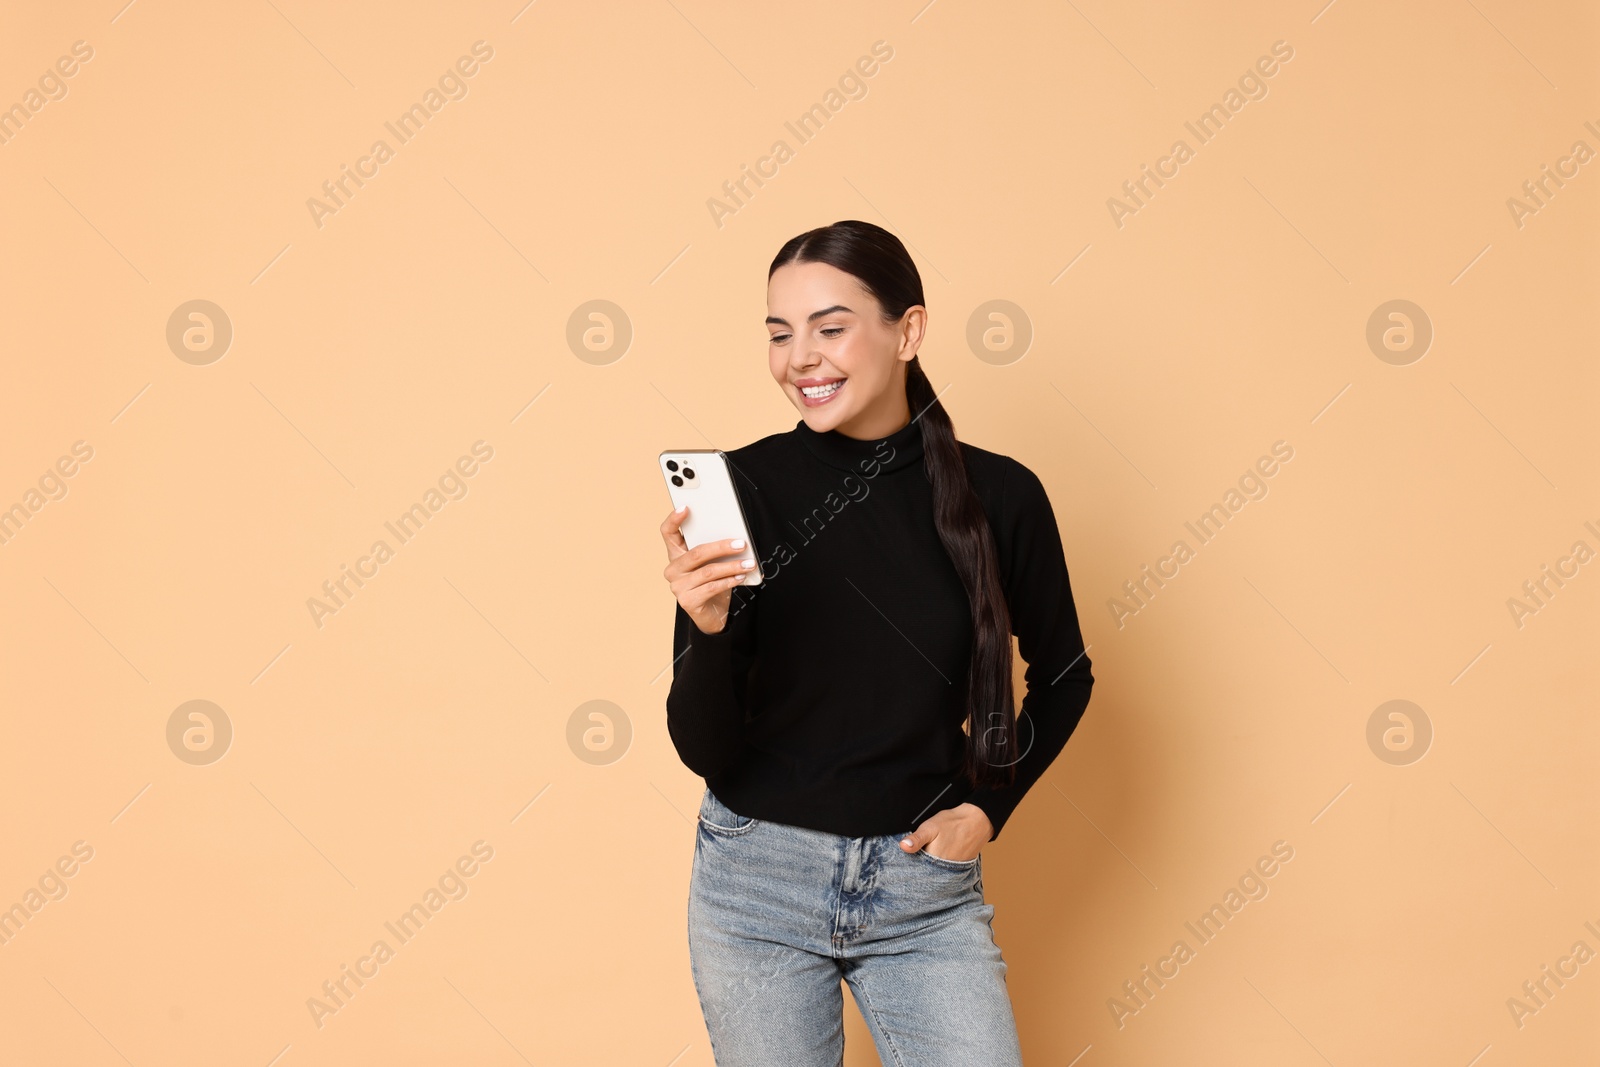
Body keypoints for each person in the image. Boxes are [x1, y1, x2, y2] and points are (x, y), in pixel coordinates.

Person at [658, 219, 1094, 1066]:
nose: (800, 359)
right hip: (756, 885)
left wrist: (986, 809)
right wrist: (705, 633)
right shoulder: (742, 487)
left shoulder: (1002, 496)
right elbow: (702, 746)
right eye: (780, 334)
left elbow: (1067, 674)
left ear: (909, 330)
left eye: (830, 327)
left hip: (922, 893)